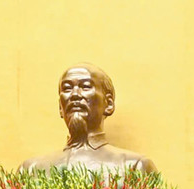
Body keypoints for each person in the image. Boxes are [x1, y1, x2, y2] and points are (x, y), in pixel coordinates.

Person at [21, 63, 158, 173]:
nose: (75, 94)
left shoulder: (134, 167)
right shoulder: (31, 170)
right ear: (60, 107)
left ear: (108, 104)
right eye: (67, 88)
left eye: (85, 87)